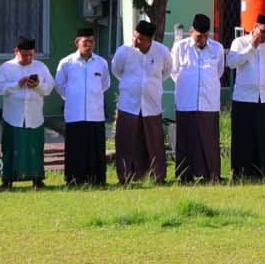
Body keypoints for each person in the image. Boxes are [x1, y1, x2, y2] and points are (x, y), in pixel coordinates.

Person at [227, 12, 265, 182]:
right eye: (263, 31)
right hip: (243, 97)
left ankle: (264, 171)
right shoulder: (239, 42)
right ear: (255, 28)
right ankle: (240, 172)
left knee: (264, 136)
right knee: (242, 136)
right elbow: (231, 63)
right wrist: (251, 47)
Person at [169, 13, 226, 184]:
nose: (202, 39)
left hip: (209, 102)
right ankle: (184, 176)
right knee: (186, 141)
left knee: (209, 141)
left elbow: (219, 71)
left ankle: (211, 175)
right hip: (186, 102)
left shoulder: (217, 48)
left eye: (206, 36)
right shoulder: (181, 47)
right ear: (191, 31)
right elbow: (173, 71)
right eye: (199, 36)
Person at [54, 28, 111, 187]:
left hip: (95, 113)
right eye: (85, 42)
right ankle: (74, 180)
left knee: (95, 149)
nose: (89, 45)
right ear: (77, 43)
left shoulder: (101, 62)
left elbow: (105, 84)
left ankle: (97, 180)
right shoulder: (67, 63)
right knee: (75, 150)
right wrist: (72, 97)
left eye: (91, 41)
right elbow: (59, 84)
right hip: (75, 113)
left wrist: (92, 95)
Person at [111, 20, 166, 184]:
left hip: (152, 104)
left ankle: (156, 177)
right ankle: (125, 177)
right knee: (125, 141)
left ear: (150, 40)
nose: (136, 41)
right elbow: (116, 70)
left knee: (154, 143)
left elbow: (167, 70)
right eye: (135, 36)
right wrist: (133, 85)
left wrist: (149, 85)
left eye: (140, 39)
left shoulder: (161, 51)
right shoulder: (124, 51)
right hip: (128, 104)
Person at [0, 37, 53, 189]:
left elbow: (49, 88)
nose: (28, 58)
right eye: (24, 54)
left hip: (34, 115)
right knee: (10, 147)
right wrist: (17, 85)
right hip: (13, 115)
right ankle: (7, 180)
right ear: (16, 51)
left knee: (35, 147)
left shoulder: (41, 67)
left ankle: (37, 179)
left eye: (31, 55)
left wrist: (38, 86)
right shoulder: (6, 67)